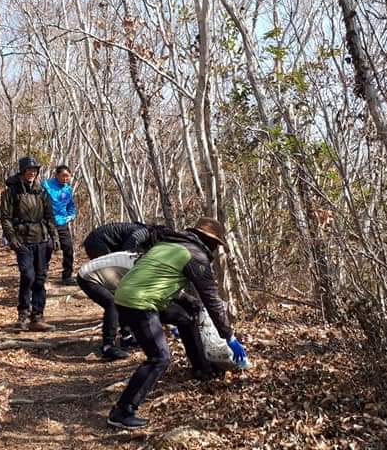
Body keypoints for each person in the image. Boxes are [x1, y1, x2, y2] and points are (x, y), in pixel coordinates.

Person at [107, 217, 250, 429]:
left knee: (186, 317)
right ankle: (123, 410)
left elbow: (160, 278)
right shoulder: (195, 255)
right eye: (216, 244)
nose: (215, 249)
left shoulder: (169, 244)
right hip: (139, 303)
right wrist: (228, 336)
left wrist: (188, 302)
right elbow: (212, 299)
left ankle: (202, 369)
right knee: (159, 358)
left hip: (128, 294)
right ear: (209, 240)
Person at [78, 222, 158, 361]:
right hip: (90, 270)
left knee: (121, 299)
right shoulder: (143, 234)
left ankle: (126, 337)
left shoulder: (141, 258)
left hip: (99, 265)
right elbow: (129, 248)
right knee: (113, 303)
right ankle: (108, 346)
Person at [0, 156, 59, 331]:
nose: (32, 173)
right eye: (29, 170)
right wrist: (12, 238)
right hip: (22, 240)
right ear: (22, 171)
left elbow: (49, 216)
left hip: (41, 239)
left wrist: (54, 237)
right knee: (28, 276)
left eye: (35, 170)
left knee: (40, 279)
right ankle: (23, 315)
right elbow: (5, 218)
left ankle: (37, 317)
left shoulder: (42, 191)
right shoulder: (11, 192)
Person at [43, 165, 78, 286]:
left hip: (62, 223)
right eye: (63, 175)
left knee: (68, 249)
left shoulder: (68, 189)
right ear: (57, 175)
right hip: (48, 224)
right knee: (48, 248)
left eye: (68, 176)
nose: (65, 178)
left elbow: (71, 206)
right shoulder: (46, 186)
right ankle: (42, 275)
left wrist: (70, 216)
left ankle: (67, 276)